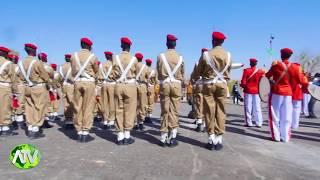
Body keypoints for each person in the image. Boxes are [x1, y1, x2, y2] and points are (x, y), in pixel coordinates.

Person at [194, 31, 231, 151]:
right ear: (223, 41)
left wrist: (194, 78)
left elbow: (198, 72)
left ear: (212, 41)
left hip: (209, 85)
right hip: (222, 85)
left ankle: (211, 139)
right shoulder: (229, 55)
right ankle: (219, 139)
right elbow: (228, 71)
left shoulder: (206, 55)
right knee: (221, 111)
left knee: (209, 111)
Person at [265, 48, 306, 142]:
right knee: (287, 116)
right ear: (290, 56)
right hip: (289, 93)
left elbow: (267, 76)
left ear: (281, 55)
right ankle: (285, 137)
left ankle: (276, 136)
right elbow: (301, 80)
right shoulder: (296, 67)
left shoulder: (276, 65)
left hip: (277, 92)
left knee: (274, 115)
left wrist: (272, 81)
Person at [157, 34, 185, 147]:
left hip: (165, 84)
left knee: (164, 110)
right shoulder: (180, 57)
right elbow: (182, 74)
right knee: (174, 111)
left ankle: (163, 137)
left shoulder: (161, 56)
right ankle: (172, 136)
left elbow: (159, 72)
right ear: (175, 44)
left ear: (166, 43)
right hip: (176, 85)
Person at [71, 38, 99, 143]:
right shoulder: (92, 56)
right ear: (89, 46)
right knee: (88, 107)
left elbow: (73, 70)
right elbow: (97, 71)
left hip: (77, 82)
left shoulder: (74, 56)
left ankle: (78, 131)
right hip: (89, 83)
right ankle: (85, 132)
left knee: (77, 107)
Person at [110, 37, 138, 145]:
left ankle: (119, 136)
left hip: (118, 85)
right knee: (129, 110)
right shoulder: (134, 59)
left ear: (121, 46)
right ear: (130, 47)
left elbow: (112, 73)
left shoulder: (115, 57)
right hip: (130, 86)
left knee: (118, 109)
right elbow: (136, 73)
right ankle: (127, 135)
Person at [20, 43, 50, 138]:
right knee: (39, 107)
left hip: (27, 86)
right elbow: (45, 76)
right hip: (37, 87)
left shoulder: (21, 62)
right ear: (33, 51)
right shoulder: (36, 62)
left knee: (29, 107)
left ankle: (30, 127)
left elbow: (20, 76)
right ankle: (36, 128)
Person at [240, 58, 265, 127]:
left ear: (250, 63)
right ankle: (259, 122)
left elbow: (243, 82)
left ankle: (249, 122)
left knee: (248, 107)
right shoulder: (261, 72)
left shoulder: (246, 71)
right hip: (257, 91)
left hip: (248, 91)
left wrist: (242, 85)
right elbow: (263, 82)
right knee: (257, 107)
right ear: (256, 64)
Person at [0, 46, 18, 136]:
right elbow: (13, 78)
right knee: (5, 107)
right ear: (5, 54)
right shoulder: (8, 63)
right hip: (3, 87)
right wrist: (15, 91)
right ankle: (5, 128)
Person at [191, 48, 208, 132]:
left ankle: (199, 123)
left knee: (199, 104)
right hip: (207, 85)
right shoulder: (209, 61)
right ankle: (204, 124)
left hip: (199, 85)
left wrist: (193, 82)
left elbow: (194, 75)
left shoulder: (198, 62)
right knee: (205, 104)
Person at [98, 51, 116, 129]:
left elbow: (98, 76)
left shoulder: (101, 65)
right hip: (112, 84)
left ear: (105, 56)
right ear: (111, 56)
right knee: (112, 103)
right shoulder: (113, 65)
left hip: (103, 85)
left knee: (104, 103)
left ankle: (105, 121)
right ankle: (111, 121)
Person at [8, 54, 25, 128]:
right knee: (20, 103)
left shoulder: (8, 66)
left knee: (11, 103)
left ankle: (12, 119)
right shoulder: (17, 67)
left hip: (9, 86)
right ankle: (19, 120)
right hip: (19, 86)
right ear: (16, 60)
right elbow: (22, 77)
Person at [290, 63, 308, 129]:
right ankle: (294, 125)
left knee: (289, 109)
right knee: (296, 110)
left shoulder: (288, 74)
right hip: (297, 94)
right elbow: (305, 84)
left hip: (289, 94)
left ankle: (289, 123)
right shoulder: (302, 75)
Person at [59, 54, 74, 129]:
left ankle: (68, 121)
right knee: (72, 103)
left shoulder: (61, 66)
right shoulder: (72, 66)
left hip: (64, 85)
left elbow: (60, 78)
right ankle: (71, 121)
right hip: (71, 85)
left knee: (65, 103)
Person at [135, 52, 149, 131]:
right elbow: (148, 77)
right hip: (143, 86)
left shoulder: (134, 65)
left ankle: (134, 122)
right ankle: (141, 122)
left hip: (134, 85)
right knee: (142, 104)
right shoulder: (145, 67)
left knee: (134, 105)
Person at [145, 58, 156, 123]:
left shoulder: (143, 70)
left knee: (144, 102)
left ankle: (143, 115)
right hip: (151, 87)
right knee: (150, 103)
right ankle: (148, 116)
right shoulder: (153, 71)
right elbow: (155, 80)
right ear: (151, 64)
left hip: (144, 86)